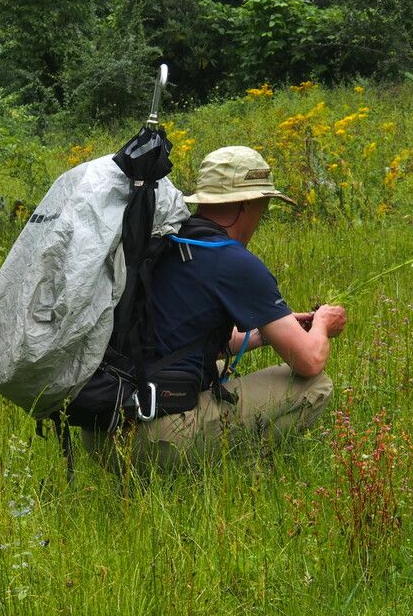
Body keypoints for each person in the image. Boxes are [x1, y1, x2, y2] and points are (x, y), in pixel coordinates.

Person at [84, 145, 346, 473]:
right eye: (262, 205)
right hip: (157, 443)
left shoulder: (164, 241)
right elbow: (309, 360)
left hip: (101, 433)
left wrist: (266, 334)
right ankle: (235, 473)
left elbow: (190, 343)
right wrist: (323, 323)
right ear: (245, 205)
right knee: (317, 386)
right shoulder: (232, 261)